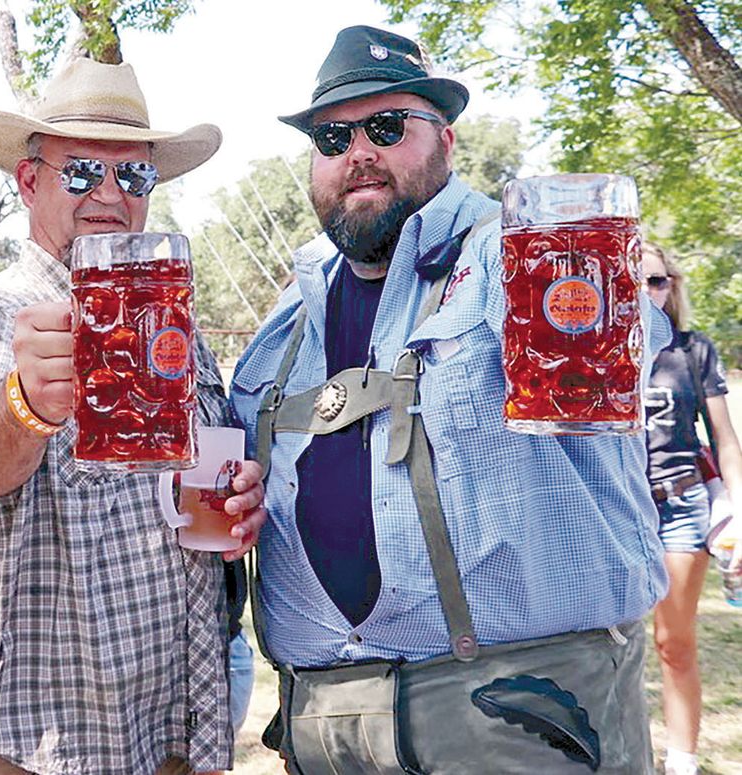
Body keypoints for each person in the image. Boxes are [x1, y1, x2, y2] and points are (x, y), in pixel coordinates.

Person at [229, 26, 672, 774]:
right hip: (326, 725)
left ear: (447, 141)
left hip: (521, 716)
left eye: (387, 126)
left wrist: (575, 276)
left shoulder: (507, 251)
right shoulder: (287, 314)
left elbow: (615, 342)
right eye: (333, 134)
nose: (358, 150)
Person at [0, 58, 266, 775]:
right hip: (23, 742)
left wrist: (238, 509)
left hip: (166, 732)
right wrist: (27, 401)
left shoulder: (177, 333)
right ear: (29, 181)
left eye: (132, 176)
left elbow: (202, 510)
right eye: (80, 172)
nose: (108, 194)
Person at [642, 242, 742, 775]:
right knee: (606, 643)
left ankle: (680, 763)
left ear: (671, 287)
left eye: (657, 281)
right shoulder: (597, 351)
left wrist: (740, 514)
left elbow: (725, 439)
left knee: (672, 642)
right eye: (635, 281)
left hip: (679, 507)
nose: (647, 292)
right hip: (615, 512)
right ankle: (620, 752)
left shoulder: (692, 350)